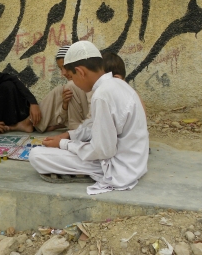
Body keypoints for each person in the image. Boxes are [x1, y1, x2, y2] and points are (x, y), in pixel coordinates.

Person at [28, 41, 149, 194]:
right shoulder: (118, 85)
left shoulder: (102, 95)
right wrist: (69, 135)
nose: (73, 82)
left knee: (37, 156)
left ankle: (93, 173)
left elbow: (102, 151)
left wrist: (64, 144)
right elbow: (93, 126)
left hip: (120, 167)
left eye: (72, 76)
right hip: (135, 161)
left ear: (81, 72)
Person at [34, 45, 91, 133]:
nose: (63, 73)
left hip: (87, 127)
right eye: (61, 69)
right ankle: (34, 122)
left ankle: (31, 123)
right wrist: (65, 105)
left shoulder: (86, 82)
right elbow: (64, 117)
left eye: (65, 67)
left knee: (69, 86)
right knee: (60, 90)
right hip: (78, 124)